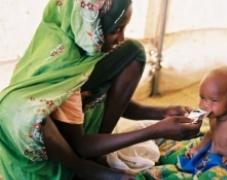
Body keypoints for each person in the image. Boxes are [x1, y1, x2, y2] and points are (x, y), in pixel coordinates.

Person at [0, 0, 201, 179]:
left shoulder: (81, 42)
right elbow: (79, 144)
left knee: (133, 53)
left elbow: (103, 97)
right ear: (92, 25)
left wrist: (161, 113)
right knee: (25, 113)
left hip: (74, 128)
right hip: (52, 149)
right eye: (116, 29)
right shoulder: (64, 63)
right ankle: (84, 167)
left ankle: (98, 150)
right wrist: (153, 131)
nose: (120, 38)